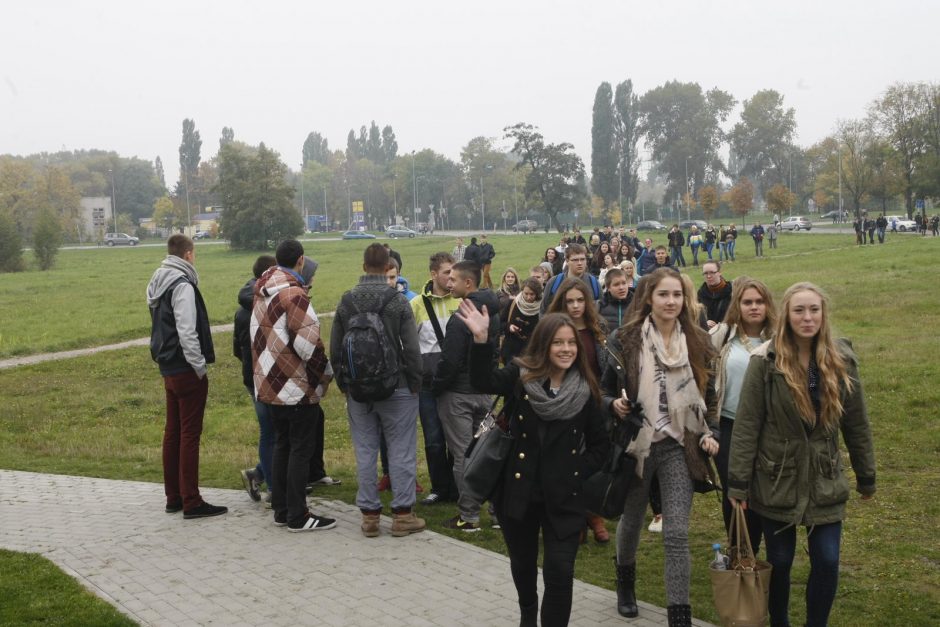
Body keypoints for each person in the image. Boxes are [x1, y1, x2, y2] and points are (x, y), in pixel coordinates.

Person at [728, 282, 876, 627]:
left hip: (825, 478)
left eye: (814, 310)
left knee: (827, 560)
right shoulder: (765, 363)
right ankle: (779, 621)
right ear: (787, 315)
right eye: (799, 310)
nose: (807, 317)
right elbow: (748, 425)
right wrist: (737, 484)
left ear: (823, 314)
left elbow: (856, 423)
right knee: (779, 561)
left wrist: (866, 475)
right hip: (777, 478)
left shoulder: (842, 360)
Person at [460, 306, 609, 627]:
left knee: (560, 575)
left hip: (565, 500)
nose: (566, 349)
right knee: (524, 565)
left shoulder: (584, 390)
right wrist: (482, 339)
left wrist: (574, 472)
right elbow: (483, 380)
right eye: (558, 343)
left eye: (571, 343)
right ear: (544, 345)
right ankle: (528, 616)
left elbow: (601, 447)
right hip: (519, 494)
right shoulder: (521, 377)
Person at [602, 268, 719, 625]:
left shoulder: (698, 340)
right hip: (638, 445)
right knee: (633, 519)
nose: (671, 301)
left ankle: (679, 615)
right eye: (663, 294)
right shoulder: (626, 339)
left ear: (685, 300)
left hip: (681, 446)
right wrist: (614, 405)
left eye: (677, 295)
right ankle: (625, 582)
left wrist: (711, 430)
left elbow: (710, 395)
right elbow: (604, 390)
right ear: (649, 298)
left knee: (677, 533)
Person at [330, 243, 425, 537]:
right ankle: (402, 515)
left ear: (362, 267)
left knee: (366, 450)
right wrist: (414, 383)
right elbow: (411, 348)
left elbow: (335, 348)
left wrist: (344, 384)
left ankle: (370, 516)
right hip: (396, 388)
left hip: (359, 390)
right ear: (388, 267)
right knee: (401, 450)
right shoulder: (397, 302)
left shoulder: (347, 301)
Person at [251, 239, 336, 532]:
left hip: (269, 384)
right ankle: (298, 515)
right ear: (301, 260)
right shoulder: (295, 295)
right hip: (296, 387)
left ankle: (282, 508)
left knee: (283, 445)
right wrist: (323, 377)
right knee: (301, 449)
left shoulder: (261, 292)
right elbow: (308, 344)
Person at [146, 234, 225, 519]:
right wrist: (199, 367)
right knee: (190, 434)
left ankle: (173, 496)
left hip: (167, 365)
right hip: (186, 367)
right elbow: (186, 330)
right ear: (189, 255)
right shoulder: (182, 285)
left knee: (173, 432)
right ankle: (192, 500)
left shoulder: (157, 280)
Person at [432, 260, 501, 532]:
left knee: (462, 454)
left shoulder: (461, 316)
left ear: (468, 284)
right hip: (484, 392)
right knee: (489, 453)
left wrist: (437, 386)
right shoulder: (492, 311)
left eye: (454, 280)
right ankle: (498, 513)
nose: (449, 284)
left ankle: (469, 516)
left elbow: (450, 361)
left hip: (458, 394)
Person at [709, 277, 775, 553]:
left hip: (770, 427)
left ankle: (758, 546)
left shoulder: (781, 337)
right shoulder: (723, 335)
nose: (754, 307)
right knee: (734, 490)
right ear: (738, 305)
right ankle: (740, 549)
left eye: (759, 302)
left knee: (763, 488)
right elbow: (701, 372)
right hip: (729, 425)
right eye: (748, 302)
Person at [546, 277, 610, 544]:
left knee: (592, 463)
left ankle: (593, 514)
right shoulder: (554, 329)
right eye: (569, 301)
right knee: (567, 463)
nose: (575, 306)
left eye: (580, 300)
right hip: (565, 404)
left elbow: (606, 367)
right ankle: (577, 517)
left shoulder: (598, 328)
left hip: (595, 403)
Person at [410, 252, 461, 506]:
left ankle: (458, 487)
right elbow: (408, 344)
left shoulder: (461, 301)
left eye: (454, 272)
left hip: (455, 382)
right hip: (428, 383)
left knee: (458, 437)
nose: (451, 277)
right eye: (446, 272)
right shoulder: (416, 305)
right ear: (433, 274)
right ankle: (440, 487)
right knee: (433, 438)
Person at [235, 254, 278, 503]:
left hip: (251, 377)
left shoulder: (241, 311)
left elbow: (235, 349)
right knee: (273, 433)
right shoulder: (266, 307)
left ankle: (261, 474)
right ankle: (272, 485)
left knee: (269, 431)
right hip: (267, 376)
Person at [541, 243, 602, 314]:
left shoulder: (594, 283)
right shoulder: (554, 282)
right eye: (575, 260)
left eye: (582, 259)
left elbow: (602, 311)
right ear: (567, 261)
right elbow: (543, 310)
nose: (580, 263)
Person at [501, 276, 542, 365]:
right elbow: (501, 322)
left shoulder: (542, 308)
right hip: (510, 351)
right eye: (526, 293)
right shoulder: (513, 303)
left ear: (537, 294)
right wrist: (509, 327)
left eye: (532, 294)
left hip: (530, 353)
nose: (528, 297)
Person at [697, 260, 733, 329]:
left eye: (712, 272)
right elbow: (695, 316)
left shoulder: (731, 291)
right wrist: (704, 322)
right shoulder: (700, 294)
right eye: (705, 273)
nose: (709, 276)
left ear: (719, 272)